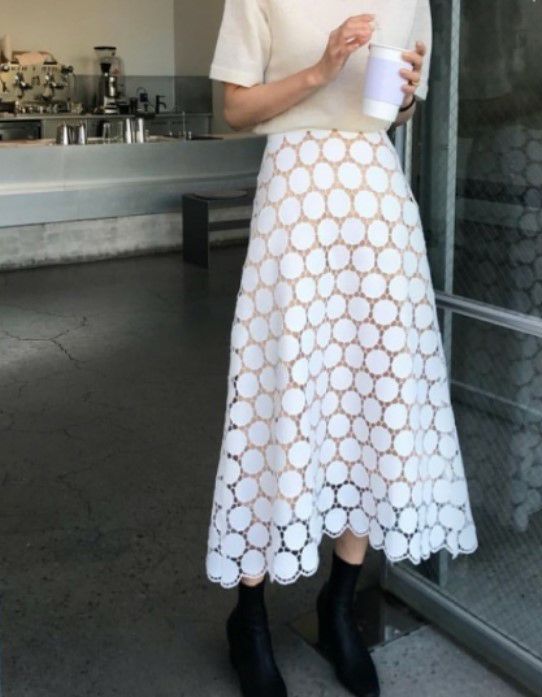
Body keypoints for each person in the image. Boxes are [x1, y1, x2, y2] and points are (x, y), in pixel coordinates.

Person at [205, 2, 478, 695]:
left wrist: (406, 96)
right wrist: (321, 69)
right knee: (278, 394)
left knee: (372, 395)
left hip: (377, 199)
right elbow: (234, 109)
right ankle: (249, 617)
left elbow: (398, 110)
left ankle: (339, 601)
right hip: (295, 195)